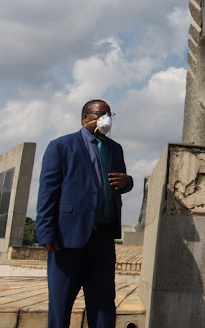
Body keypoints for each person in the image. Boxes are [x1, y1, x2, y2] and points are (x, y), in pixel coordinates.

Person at [36, 100, 133, 328]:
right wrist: (45, 231)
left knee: (103, 303)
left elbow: (121, 181)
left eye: (109, 114)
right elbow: (47, 191)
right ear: (85, 118)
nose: (106, 119)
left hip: (103, 238)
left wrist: (127, 182)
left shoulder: (114, 148)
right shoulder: (61, 146)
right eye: (100, 115)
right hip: (68, 238)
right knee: (61, 305)